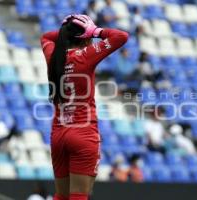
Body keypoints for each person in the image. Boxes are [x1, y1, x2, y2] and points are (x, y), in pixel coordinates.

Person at [40, 14, 128, 200]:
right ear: (86, 37)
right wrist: (96, 31)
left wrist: (68, 31)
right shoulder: (85, 56)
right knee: (79, 196)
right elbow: (121, 36)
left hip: (58, 135)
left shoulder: (53, 57)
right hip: (83, 134)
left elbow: (46, 37)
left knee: (61, 196)